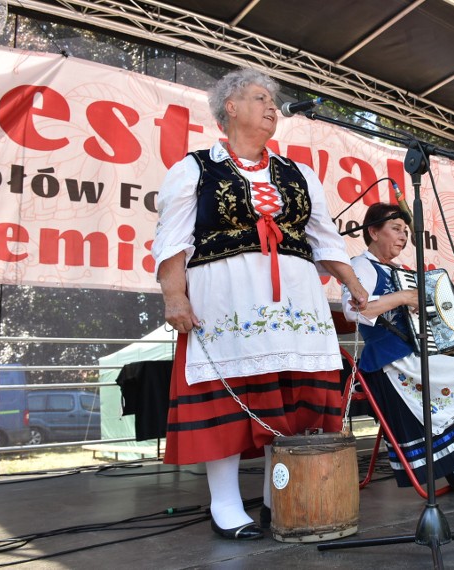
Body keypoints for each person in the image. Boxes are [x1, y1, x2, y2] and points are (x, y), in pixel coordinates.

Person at [153, 68, 369, 541]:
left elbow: (325, 240)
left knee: (290, 401)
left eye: (273, 100)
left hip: (294, 302)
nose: (272, 106)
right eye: (259, 97)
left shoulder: (299, 174)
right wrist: (174, 295)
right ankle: (226, 505)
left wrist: (352, 283)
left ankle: (280, 496)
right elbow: (171, 242)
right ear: (230, 107)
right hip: (226, 301)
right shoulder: (195, 167)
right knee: (228, 394)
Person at [341, 202, 454, 493]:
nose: (403, 236)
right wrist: (405, 297)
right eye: (395, 229)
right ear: (372, 231)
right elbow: (354, 311)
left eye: (405, 231)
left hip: (410, 355)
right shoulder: (362, 265)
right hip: (391, 363)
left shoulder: (396, 270)